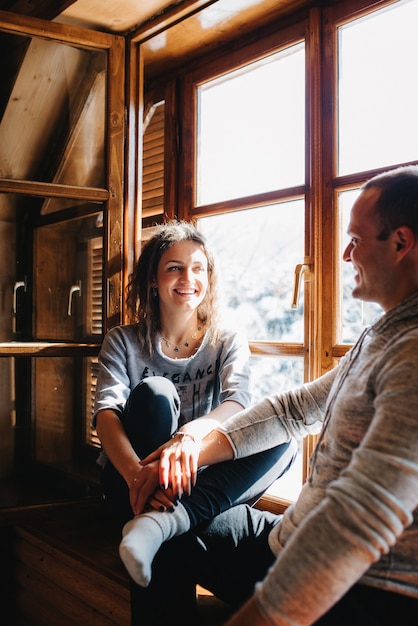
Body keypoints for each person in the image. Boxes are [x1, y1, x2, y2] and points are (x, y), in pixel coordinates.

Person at [138, 165, 418, 626]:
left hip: (360, 586)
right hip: (290, 537)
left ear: (401, 243)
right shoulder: (384, 332)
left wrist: (260, 617)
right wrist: (189, 448)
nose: (345, 254)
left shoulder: (412, 353)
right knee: (163, 528)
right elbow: (294, 409)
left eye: (357, 240)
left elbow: (361, 517)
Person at [93, 220, 296, 590]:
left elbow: (239, 401)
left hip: (195, 480)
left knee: (282, 438)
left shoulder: (226, 338)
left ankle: (160, 524)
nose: (189, 277)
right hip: (130, 479)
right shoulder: (122, 341)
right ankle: (161, 517)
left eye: (198, 268)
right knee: (155, 393)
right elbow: (106, 415)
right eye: (175, 267)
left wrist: (189, 436)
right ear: (153, 279)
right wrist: (139, 475)